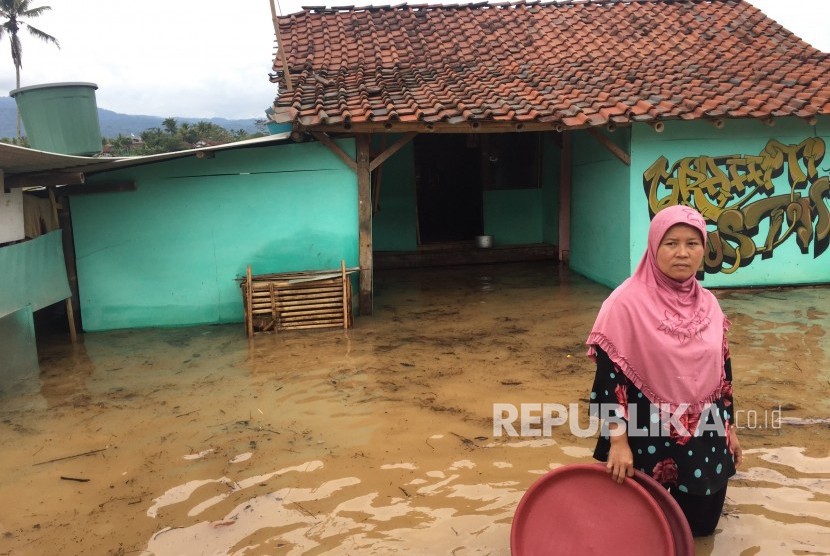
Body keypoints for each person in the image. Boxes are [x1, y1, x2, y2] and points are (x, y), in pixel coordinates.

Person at [586, 204, 742, 537]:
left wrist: (730, 429)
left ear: (704, 249)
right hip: (646, 434)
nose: (682, 253)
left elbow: (723, 376)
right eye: (671, 243)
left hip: (705, 431)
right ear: (654, 246)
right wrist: (618, 442)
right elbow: (608, 381)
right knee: (641, 527)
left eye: (692, 243)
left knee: (701, 528)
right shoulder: (624, 304)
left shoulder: (709, 305)